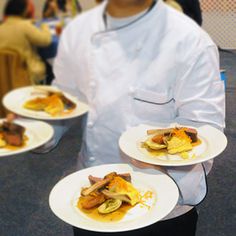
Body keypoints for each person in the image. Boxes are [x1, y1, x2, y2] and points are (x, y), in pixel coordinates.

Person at [52, 0, 225, 235]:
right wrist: (36, 128)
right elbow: (65, 98)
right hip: (91, 188)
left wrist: (160, 182)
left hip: (162, 206)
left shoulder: (190, 40)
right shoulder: (78, 30)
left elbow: (204, 132)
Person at [0, 0, 52, 84]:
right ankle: (48, 93)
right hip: (26, 71)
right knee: (49, 65)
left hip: (4, 73)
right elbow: (46, 40)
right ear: (24, 10)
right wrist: (44, 26)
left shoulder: (2, 26)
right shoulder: (25, 26)